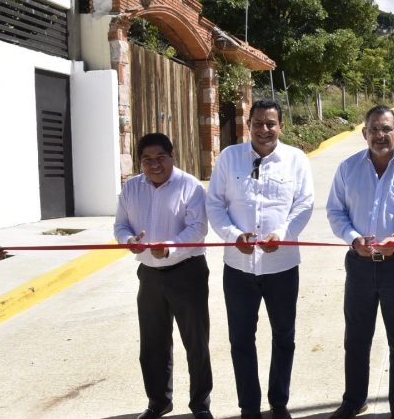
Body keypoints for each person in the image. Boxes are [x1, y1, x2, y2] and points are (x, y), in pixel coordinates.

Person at [206, 99, 314, 419]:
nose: (264, 130)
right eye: (258, 123)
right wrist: (231, 235)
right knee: (241, 339)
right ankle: (249, 407)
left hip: (282, 266)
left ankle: (278, 402)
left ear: (281, 126)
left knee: (284, 337)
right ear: (248, 124)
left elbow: (304, 205)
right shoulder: (229, 158)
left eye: (271, 123)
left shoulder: (295, 160)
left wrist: (281, 234)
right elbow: (215, 204)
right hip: (238, 268)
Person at [326, 105, 394, 419]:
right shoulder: (347, 168)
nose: (380, 135)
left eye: (386, 129)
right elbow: (335, 211)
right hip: (359, 265)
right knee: (356, 338)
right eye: (374, 129)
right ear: (364, 133)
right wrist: (353, 238)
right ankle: (354, 400)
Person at [113, 133, 213, 419]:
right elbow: (120, 226)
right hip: (149, 276)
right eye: (147, 159)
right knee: (153, 343)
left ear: (172, 156)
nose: (154, 164)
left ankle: (200, 404)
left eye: (160, 158)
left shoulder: (190, 186)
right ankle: (158, 402)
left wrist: (168, 248)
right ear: (139, 161)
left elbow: (198, 230)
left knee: (196, 342)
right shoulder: (131, 188)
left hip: (187, 272)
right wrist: (129, 240)